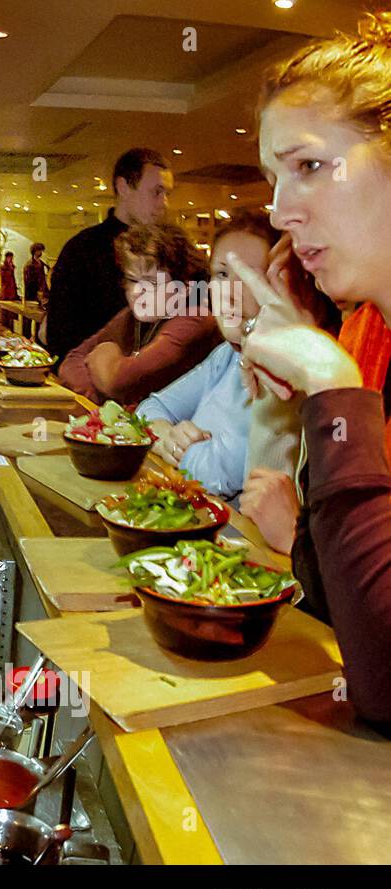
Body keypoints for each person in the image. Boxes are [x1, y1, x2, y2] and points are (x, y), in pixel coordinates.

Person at [230, 12, 391, 728]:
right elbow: (333, 591)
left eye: (310, 166)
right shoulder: (365, 332)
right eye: (274, 177)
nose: (280, 210)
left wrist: (332, 387)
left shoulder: (349, 357)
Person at [135, 213, 279, 500]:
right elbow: (148, 409)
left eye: (250, 275)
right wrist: (168, 437)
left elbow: (216, 475)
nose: (229, 291)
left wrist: (174, 447)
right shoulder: (226, 356)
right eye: (222, 275)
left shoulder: (282, 371)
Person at [58, 224, 220, 405]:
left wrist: (104, 352)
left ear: (185, 287)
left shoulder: (195, 319)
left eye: (151, 283)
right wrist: (104, 401)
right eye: (132, 279)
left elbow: (119, 382)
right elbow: (71, 362)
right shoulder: (132, 317)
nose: (136, 291)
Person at [45, 148, 174, 361]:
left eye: (168, 193)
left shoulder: (169, 251)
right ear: (123, 187)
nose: (164, 203)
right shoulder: (83, 250)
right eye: (156, 192)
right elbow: (60, 336)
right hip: (92, 382)